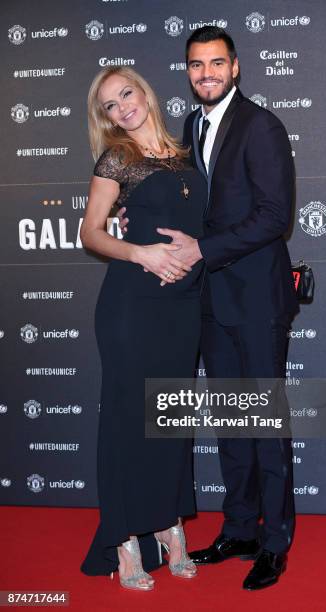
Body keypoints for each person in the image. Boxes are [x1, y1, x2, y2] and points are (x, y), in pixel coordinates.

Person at [120, 26, 299, 591]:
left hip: (256, 299)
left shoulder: (262, 126)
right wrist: (136, 222)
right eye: (196, 66)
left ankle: (274, 543)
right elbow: (188, 204)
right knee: (231, 423)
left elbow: (275, 215)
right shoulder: (191, 127)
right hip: (210, 301)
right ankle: (241, 528)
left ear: (236, 67)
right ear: (188, 71)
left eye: (216, 64)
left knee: (264, 424)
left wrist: (204, 250)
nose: (206, 74)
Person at [80, 66, 207, 591]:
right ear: (106, 117)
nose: (122, 107)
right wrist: (141, 253)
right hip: (132, 307)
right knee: (128, 422)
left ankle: (168, 525)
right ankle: (125, 539)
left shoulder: (187, 151)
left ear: (144, 92)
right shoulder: (118, 159)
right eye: (110, 105)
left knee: (171, 420)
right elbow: (90, 231)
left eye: (125, 94)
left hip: (182, 308)